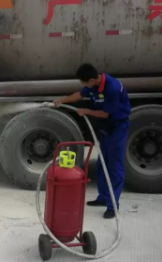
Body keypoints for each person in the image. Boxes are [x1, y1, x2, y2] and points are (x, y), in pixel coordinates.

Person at [53, 63, 131, 219]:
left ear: (91, 80)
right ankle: (103, 198)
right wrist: (61, 101)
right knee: (102, 163)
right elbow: (79, 95)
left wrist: (86, 111)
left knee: (114, 166)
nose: (83, 85)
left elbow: (106, 114)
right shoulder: (94, 84)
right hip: (106, 127)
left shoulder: (112, 88)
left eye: (83, 82)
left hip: (117, 127)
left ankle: (112, 205)